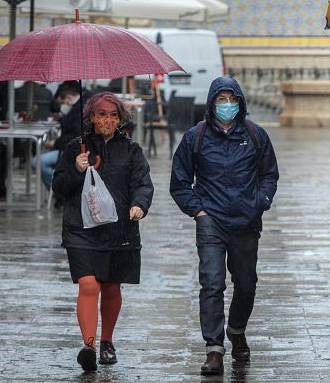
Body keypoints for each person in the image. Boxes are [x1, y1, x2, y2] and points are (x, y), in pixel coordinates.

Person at [169, 77, 279, 375]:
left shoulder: (256, 135)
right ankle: (214, 349)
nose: (227, 105)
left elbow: (270, 174)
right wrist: (198, 211)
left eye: (232, 99)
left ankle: (237, 330)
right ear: (212, 103)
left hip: (246, 221)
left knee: (246, 284)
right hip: (211, 222)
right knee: (212, 283)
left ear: (240, 102)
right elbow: (179, 182)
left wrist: (261, 201)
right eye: (221, 99)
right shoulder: (197, 137)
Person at [51, 92, 154, 372]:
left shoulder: (131, 150)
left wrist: (139, 205)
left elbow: (143, 184)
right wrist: (75, 168)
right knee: (88, 285)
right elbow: (58, 187)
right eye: (101, 114)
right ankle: (89, 345)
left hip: (119, 229)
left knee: (110, 287)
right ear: (91, 118)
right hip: (81, 229)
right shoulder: (76, 147)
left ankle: (107, 341)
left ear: (120, 119)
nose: (107, 120)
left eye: (113, 115)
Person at [36, 81, 83, 192]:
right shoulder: (80, 107)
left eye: (63, 102)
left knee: (37, 162)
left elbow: (76, 135)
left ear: (69, 98)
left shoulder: (79, 110)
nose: (63, 105)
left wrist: (55, 143)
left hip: (74, 152)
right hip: (77, 151)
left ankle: (60, 189)